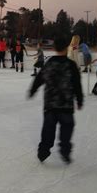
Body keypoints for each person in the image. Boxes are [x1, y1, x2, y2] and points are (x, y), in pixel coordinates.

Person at [29, 35, 83, 164]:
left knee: (48, 129)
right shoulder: (71, 65)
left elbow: (39, 78)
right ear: (66, 47)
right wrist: (79, 100)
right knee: (67, 129)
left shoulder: (50, 63)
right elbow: (77, 84)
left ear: (54, 48)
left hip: (50, 105)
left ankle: (43, 151)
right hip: (66, 105)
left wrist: (33, 90)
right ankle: (65, 151)